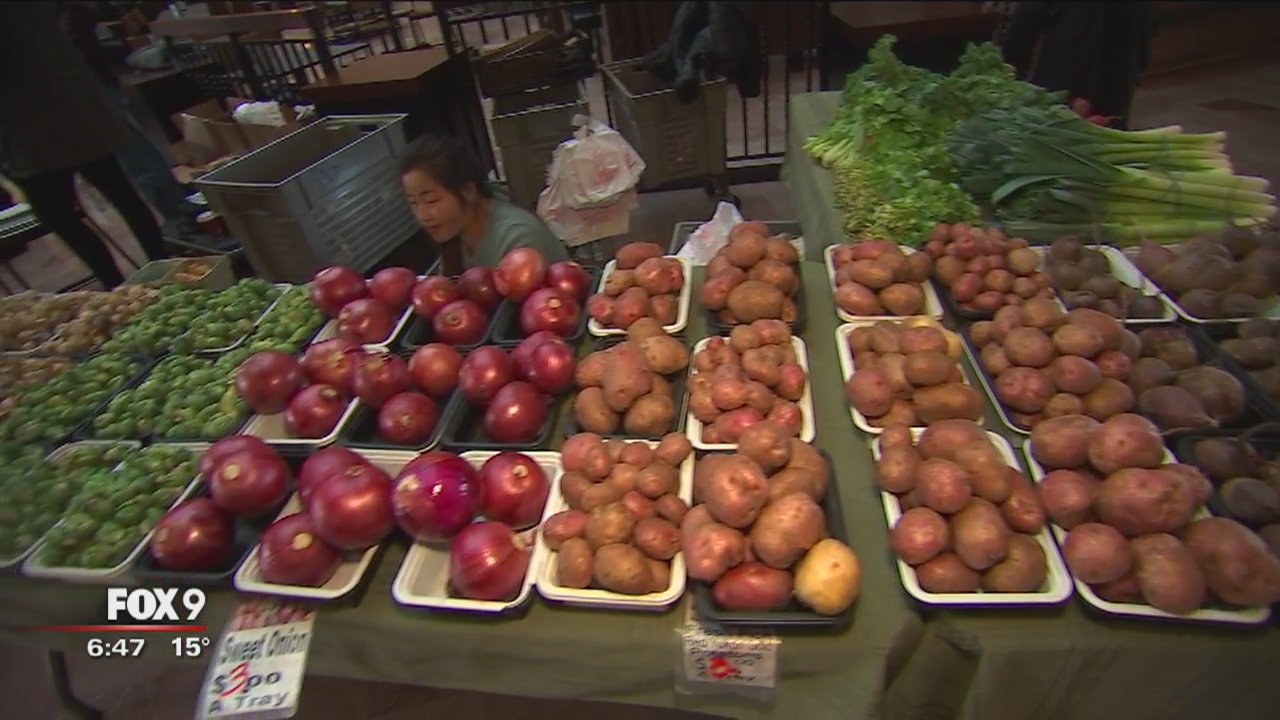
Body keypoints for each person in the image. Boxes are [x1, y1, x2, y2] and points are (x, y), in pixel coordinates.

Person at [0, 2, 167, 288]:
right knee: (113, 197)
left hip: (37, 117)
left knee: (77, 209)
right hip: (57, 108)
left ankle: (140, 279)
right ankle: (150, 275)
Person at [59, 1, 204, 239]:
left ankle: (177, 205)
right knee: (135, 154)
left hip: (87, 78)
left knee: (138, 151)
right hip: (84, 82)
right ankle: (179, 213)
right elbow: (74, 26)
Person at [400, 134, 570, 271]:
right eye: (413, 203)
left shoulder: (518, 239)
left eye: (431, 201)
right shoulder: (456, 234)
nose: (422, 216)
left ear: (468, 191)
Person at [998, 1, 1155, 129]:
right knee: (1109, 145)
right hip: (1119, 75)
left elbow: (1027, 15)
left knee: (1059, 148)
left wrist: (1010, 70)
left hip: (1069, 75)